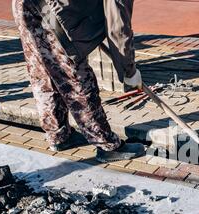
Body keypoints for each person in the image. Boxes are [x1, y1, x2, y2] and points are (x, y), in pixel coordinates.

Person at [12, 0, 145, 163]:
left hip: (26, 5)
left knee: (43, 72)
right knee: (77, 79)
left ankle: (59, 135)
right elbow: (118, 27)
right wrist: (129, 71)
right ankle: (107, 145)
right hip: (49, 11)